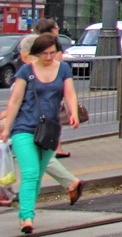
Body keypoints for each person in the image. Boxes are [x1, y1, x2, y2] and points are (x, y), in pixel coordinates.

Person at [2, 33, 80, 233]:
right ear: (36, 53)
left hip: (50, 131)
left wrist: (73, 113)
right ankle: (26, 217)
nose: (48, 57)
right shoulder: (26, 71)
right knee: (30, 172)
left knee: (36, 176)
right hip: (24, 128)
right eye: (44, 53)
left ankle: (28, 211)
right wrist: (6, 129)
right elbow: (15, 101)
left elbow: (69, 93)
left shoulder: (63, 69)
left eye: (52, 53)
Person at [33, 19, 71, 159]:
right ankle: (56, 147)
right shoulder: (54, 43)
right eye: (57, 27)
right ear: (53, 29)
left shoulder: (34, 41)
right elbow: (58, 63)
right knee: (52, 117)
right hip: (51, 84)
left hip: (35, 84)